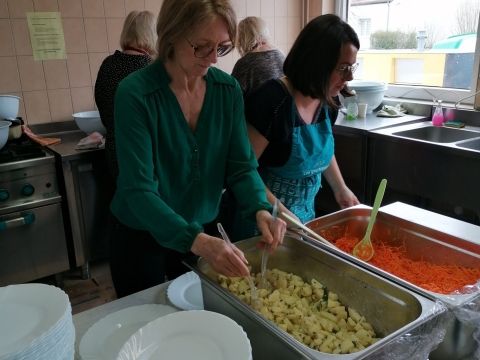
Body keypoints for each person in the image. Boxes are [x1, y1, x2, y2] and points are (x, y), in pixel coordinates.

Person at [108, 0, 286, 298]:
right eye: (202, 46)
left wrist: (260, 209)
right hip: (142, 234)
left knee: (200, 322)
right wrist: (199, 242)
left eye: (222, 47)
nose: (213, 59)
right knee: (147, 328)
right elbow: (138, 190)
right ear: (171, 35)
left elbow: (241, 166)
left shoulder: (227, 91)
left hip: (202, 228)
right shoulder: (135, 94)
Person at [231, 14, 360, 239]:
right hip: (262, 222)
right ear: (318, 62)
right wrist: (282, 214)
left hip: (303, 217)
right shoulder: (271, 101)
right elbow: (243, 169)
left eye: (352, 66)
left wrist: (340, 188)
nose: (349, 76)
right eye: (342, 68)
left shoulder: (328, 101)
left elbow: (321, 152)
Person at [94, 10, 157, 184]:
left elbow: (103, 107)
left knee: (128, 204)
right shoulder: (151, 69)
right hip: (145, 155)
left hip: (116, 152)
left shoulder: (108, 64)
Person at [231, 16, 285, 96]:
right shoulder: (281, 55)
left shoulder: (245, 64)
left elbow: (232, 96)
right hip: (284, 108)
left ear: (243, 38)